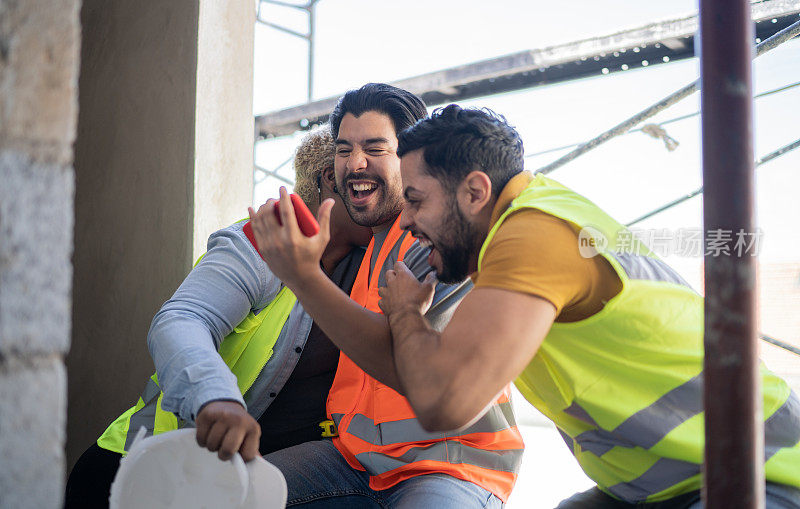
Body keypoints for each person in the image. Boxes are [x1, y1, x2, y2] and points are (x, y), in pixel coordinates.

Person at [370, 103, 800, 507]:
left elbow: (444, 403)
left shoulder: (532, 237)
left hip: (763, 475)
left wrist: (407, 314)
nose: (405, 220)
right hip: (668, 483)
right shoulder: (529, 220)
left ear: (475, 192)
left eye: (416, 199)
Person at [64, 126, 372, 508]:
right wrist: (216, 398)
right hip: (142, 473)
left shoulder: (376, 265)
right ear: (333, 177)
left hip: (251, 485)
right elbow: (182, 319)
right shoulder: (264, 241)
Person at [248, 83, 523, 508]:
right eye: (343, 149)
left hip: (448, 467)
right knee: (224, 492)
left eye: (375, 148)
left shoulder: (439, 234)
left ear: (410, 160)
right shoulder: (365, 250)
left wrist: (303, 275)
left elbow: (398, 361)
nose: (355, 163)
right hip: (355, 462)